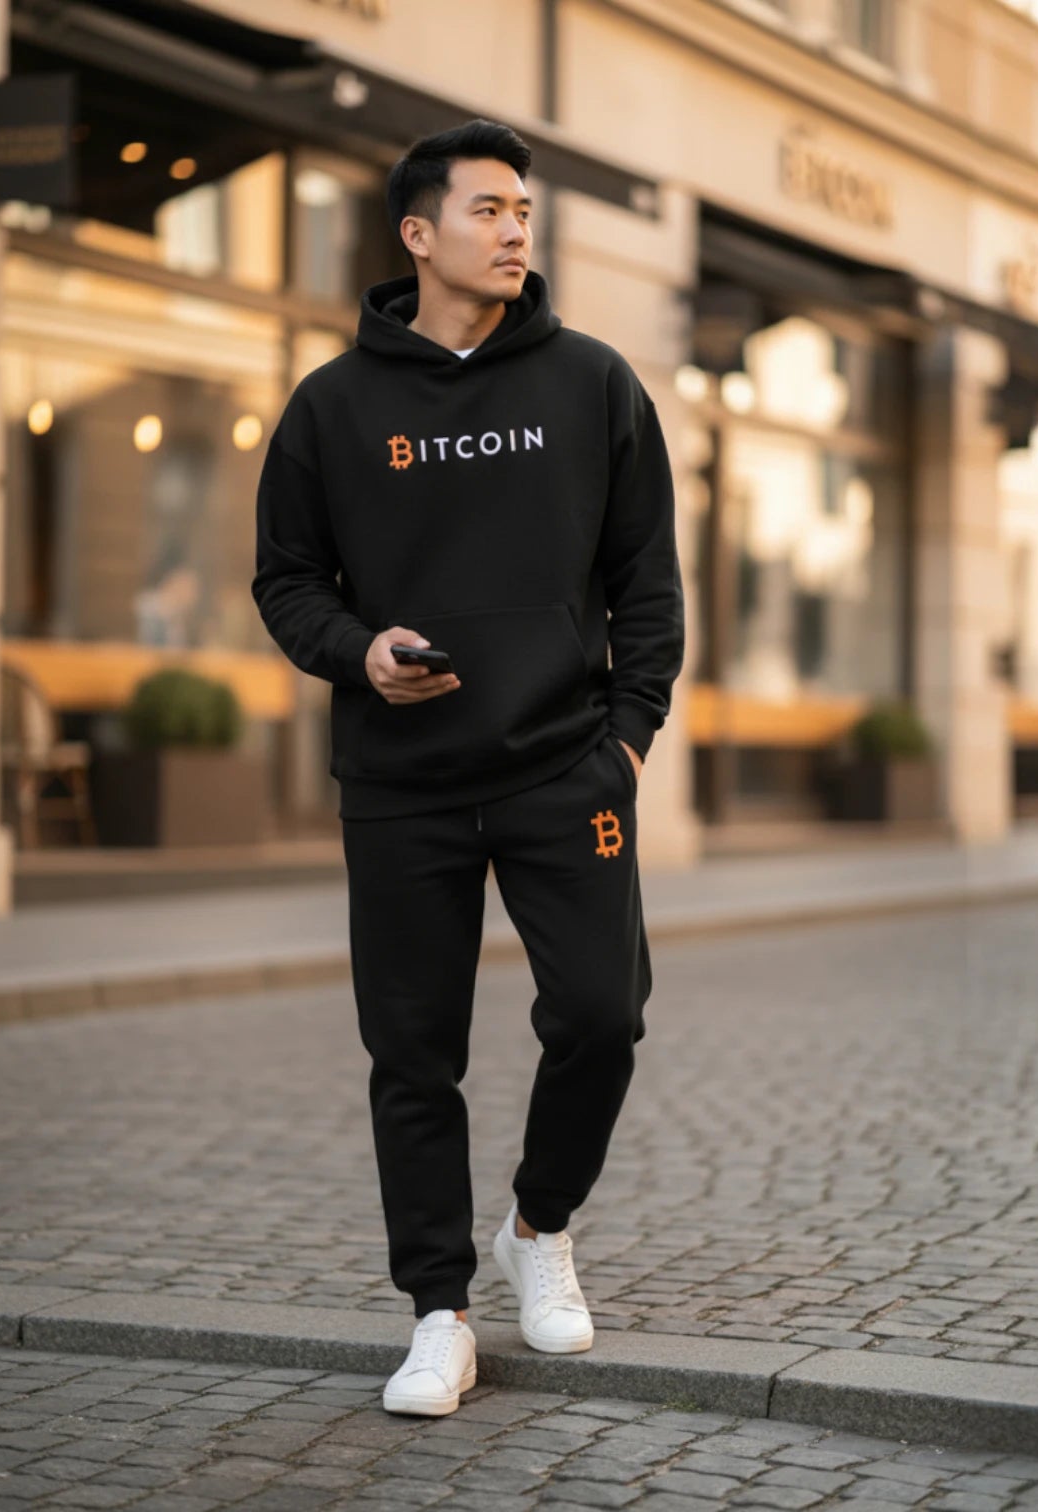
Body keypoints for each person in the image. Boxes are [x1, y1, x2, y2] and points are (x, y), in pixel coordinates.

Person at [251, 119, 683, 1417]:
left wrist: (625, 743)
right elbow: (287, 580)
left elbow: (648, 586)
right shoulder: (333, 407)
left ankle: (539, 1226)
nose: (513, 232)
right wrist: (359, 652)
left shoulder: (594, 385)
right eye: (487, 210)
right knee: (412, 1054)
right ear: (418, 234)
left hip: (564, 769)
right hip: (402, 785)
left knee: (602, 1015)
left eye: (523, 212)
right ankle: (438, 1312)